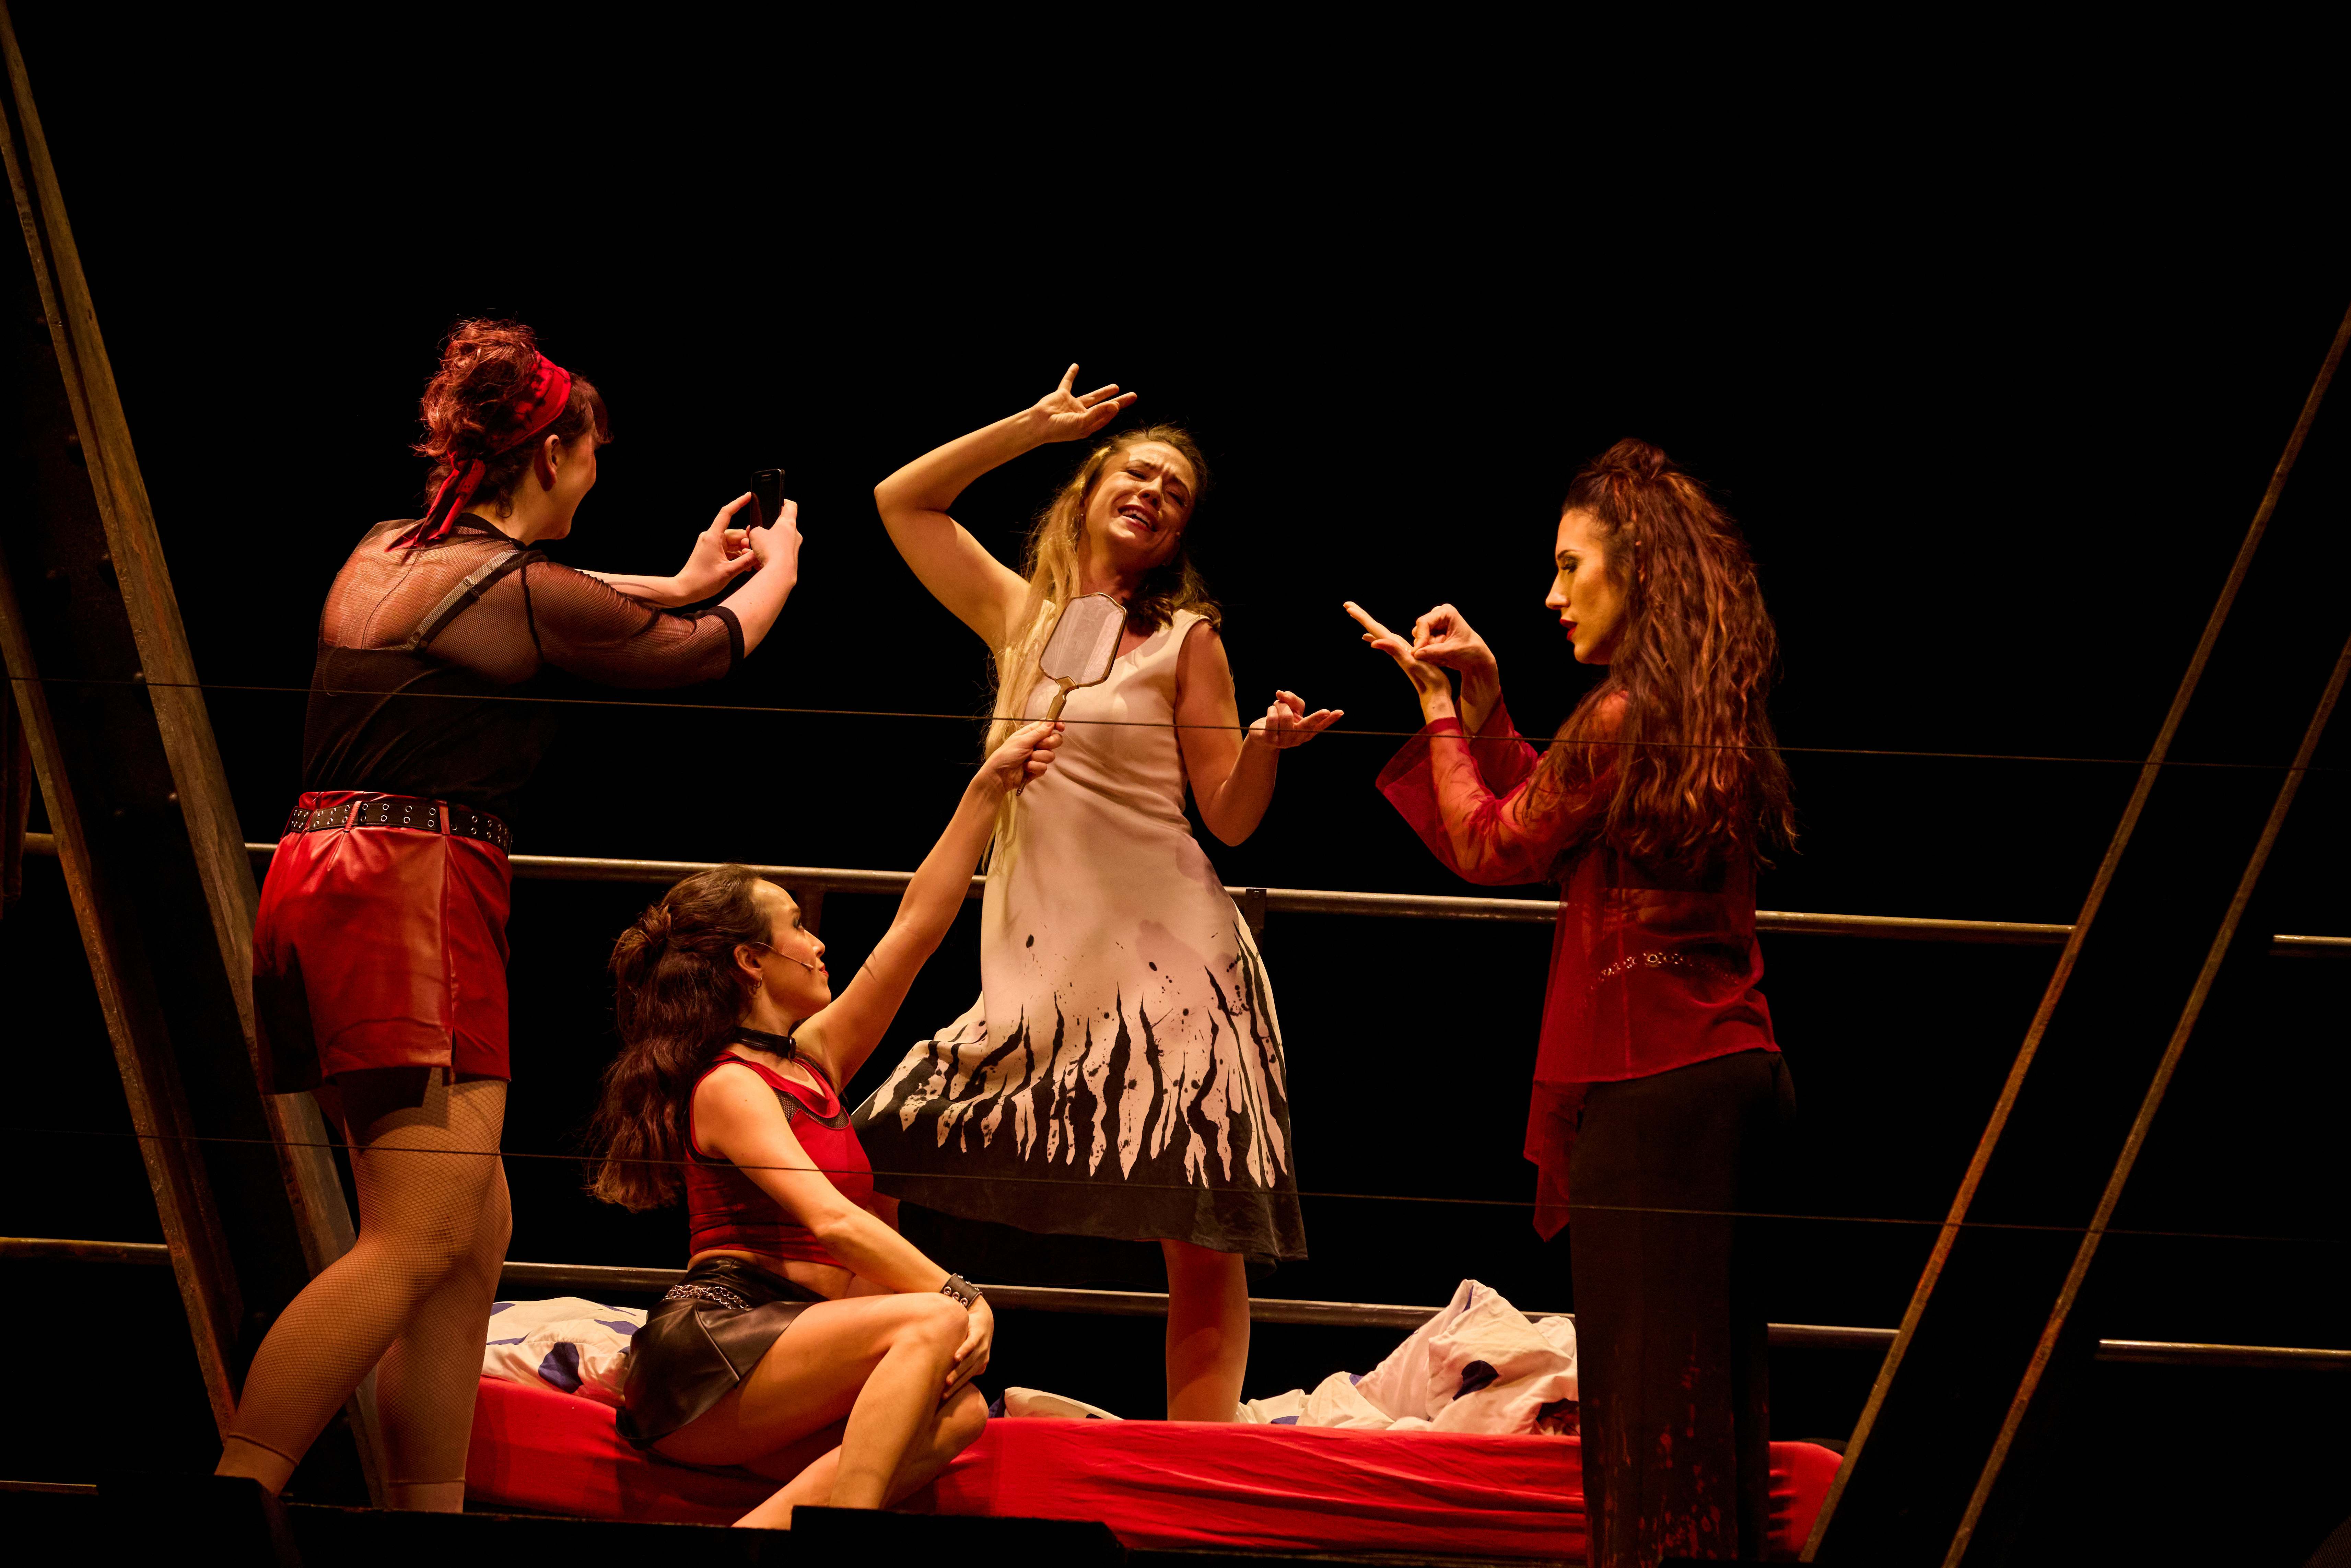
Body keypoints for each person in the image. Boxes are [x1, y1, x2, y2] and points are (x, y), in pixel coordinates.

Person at [223, 320, 801, 1510]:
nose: (595, 473)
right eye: (592, 453)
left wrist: (679, 577)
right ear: (553, 456)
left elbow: (543, 602)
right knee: (416, 1236)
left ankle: (423, 1512)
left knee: (469, 1232)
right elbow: (698, 654)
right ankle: (236, 1485)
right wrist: (775, 570)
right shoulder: (518, 590)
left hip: (326, 874)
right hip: (411, 891)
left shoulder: (388, 550)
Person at [1345, 437, 1797, 1567]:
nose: (1551, 595)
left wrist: (1440, 711)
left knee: (1646, 1418)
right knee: (1708, 1408)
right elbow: (1558, 823)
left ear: (1634, 566)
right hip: (1726, 1075)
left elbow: (1493, 844)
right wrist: (1491, 700)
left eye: (1568, 566)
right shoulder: (1690, 703)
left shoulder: (1621, 713)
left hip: (1653, 1090)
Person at [854, 367, 1337, 1421]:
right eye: (1137, 473)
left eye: (1175, 493)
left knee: (1197, 1225)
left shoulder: (1185, 637)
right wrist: (1033, 428)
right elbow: (903, 500)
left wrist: (1264, 746)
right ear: (1087, 492)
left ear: (1177, 536)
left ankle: (1196, 1460)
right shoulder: (1025, 619)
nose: (1155, 493)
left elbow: (1229, 816)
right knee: (876, 1149)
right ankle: (887, 1382)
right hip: (1042, 979)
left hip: (1175, 963)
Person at [587, 720, 1064, 1527]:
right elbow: (834, 1222)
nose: (819, 942)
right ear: (751, 960)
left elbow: (914, 930)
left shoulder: (811, 1062)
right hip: (713, 1353)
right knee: (933, 1319)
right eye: (798, 926)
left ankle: (759, 1539)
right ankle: (845, 1546)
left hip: (788, 1352)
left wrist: (988, 788)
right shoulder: (729, 1085)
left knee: (961, 1411)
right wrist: (960, 1294)